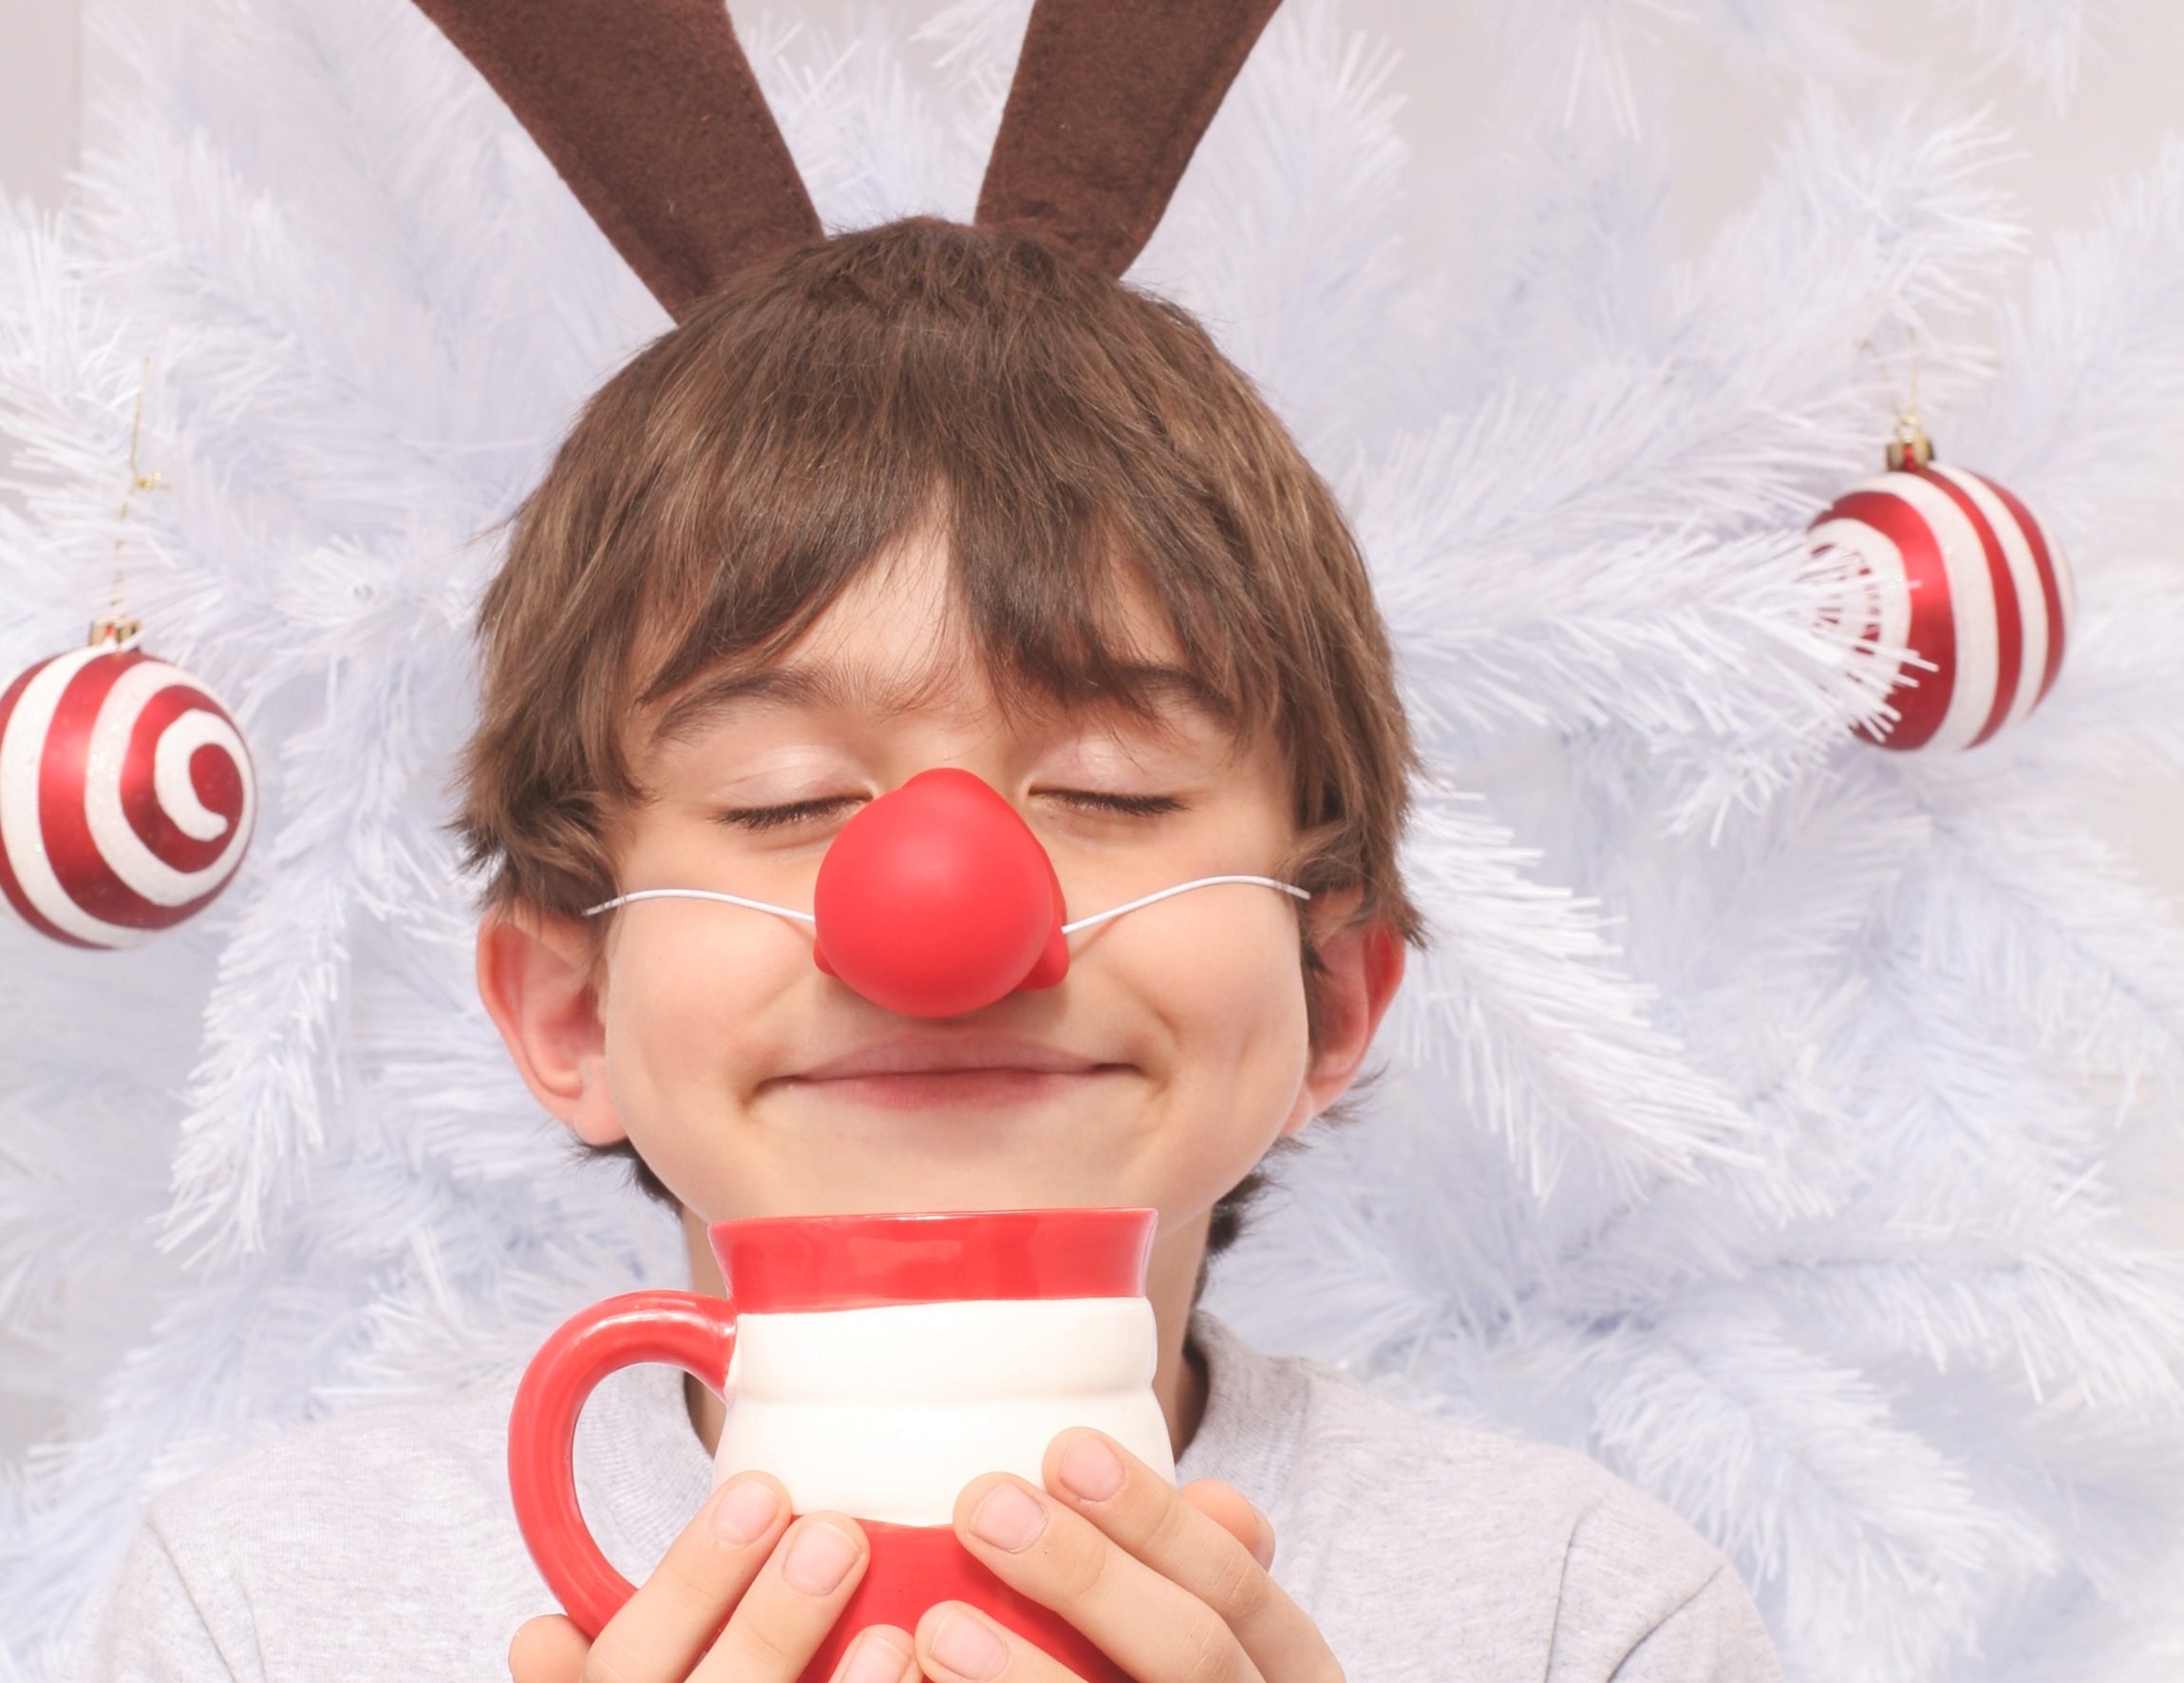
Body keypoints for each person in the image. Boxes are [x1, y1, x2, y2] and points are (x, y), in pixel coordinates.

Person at [63, 216, 1784, 1683]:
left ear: (1330, 997)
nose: (945, 915)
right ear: (571, 1011)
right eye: (788, 801)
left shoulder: (1586, 1617)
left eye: (1106, 788)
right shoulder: (263, 1615)